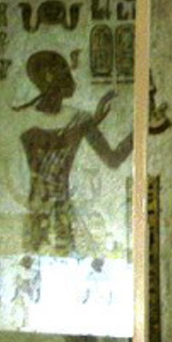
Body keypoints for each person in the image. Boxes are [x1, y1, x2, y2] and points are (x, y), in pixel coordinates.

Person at [15, 50, 132, 255]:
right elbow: (50, 141)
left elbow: (112, 159)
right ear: (48, 77)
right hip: (39, 213)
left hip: (60, 213)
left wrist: (139, 131)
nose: (70, 77)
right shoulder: (25, 118)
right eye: (64, 70)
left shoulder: (79, 118)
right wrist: (90, 124)